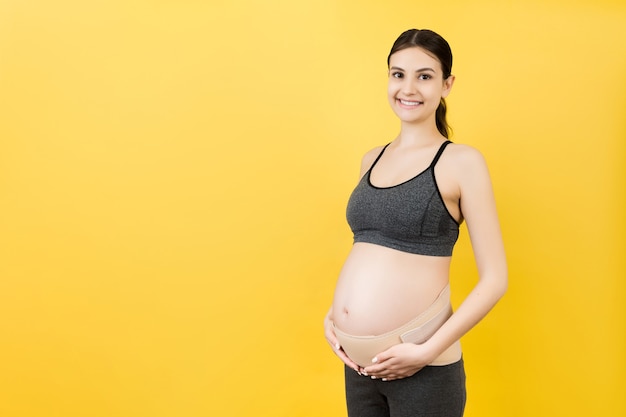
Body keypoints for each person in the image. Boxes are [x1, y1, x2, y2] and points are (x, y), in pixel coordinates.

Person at [323, 28, 508, 417]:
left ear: (447, 84)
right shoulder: (370, 159)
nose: (408, 88)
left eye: (424, 76)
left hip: (424, 368)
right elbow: (368, 250)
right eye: (398, 74)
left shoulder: (461, 162)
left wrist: (425, 351)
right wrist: (336, 319)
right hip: (360, 370)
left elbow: (496, 279)